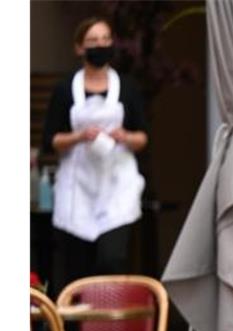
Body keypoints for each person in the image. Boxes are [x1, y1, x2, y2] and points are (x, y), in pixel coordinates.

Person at [41, 16, 148, 289]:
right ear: (79, 48)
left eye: (105, 39)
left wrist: (124, 136)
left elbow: (143, 137)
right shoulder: (66, 90)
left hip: (116, 188)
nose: (100, 45)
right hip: (78, 190)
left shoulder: (128, 87)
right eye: (92, 41)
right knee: (76, 271)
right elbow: (52, 139)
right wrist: (79, 137)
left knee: (111, 259)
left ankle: (110, 328)